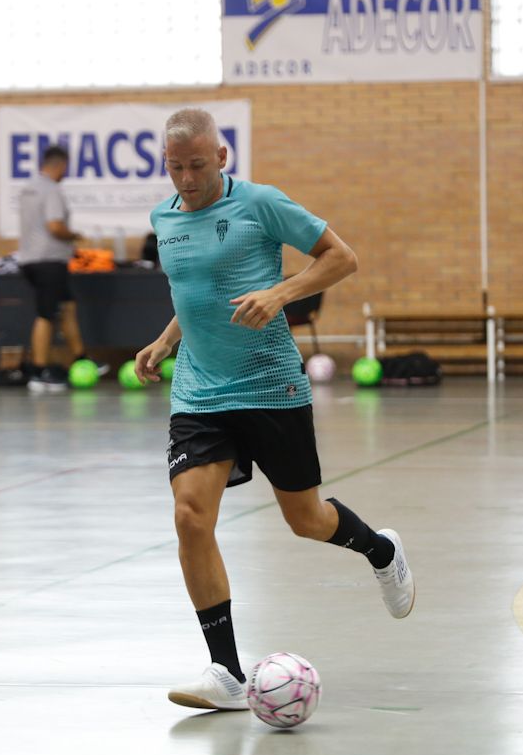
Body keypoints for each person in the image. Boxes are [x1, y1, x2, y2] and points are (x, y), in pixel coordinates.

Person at [134, 108, 415, 712]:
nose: (187, 178)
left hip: (269, 386)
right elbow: (198, 294)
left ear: (223, 157)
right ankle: (226, 671)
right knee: (190, 516)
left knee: (306, 518)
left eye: (198, 165)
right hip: (200, 394)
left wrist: (281, 292)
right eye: (176, 167)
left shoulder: (261, 204)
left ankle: (381, 551)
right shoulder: (164, 218)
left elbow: (342, 257)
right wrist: (166, 340)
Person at [18, 145, 106, 392]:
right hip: (48, 262)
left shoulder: (29, 188)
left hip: (32, 260)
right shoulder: (52, 189)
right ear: (60, 165)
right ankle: (38, 371)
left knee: (67, 306)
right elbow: (55, 226)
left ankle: (81, 358)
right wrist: (74, 235)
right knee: (46, 314)